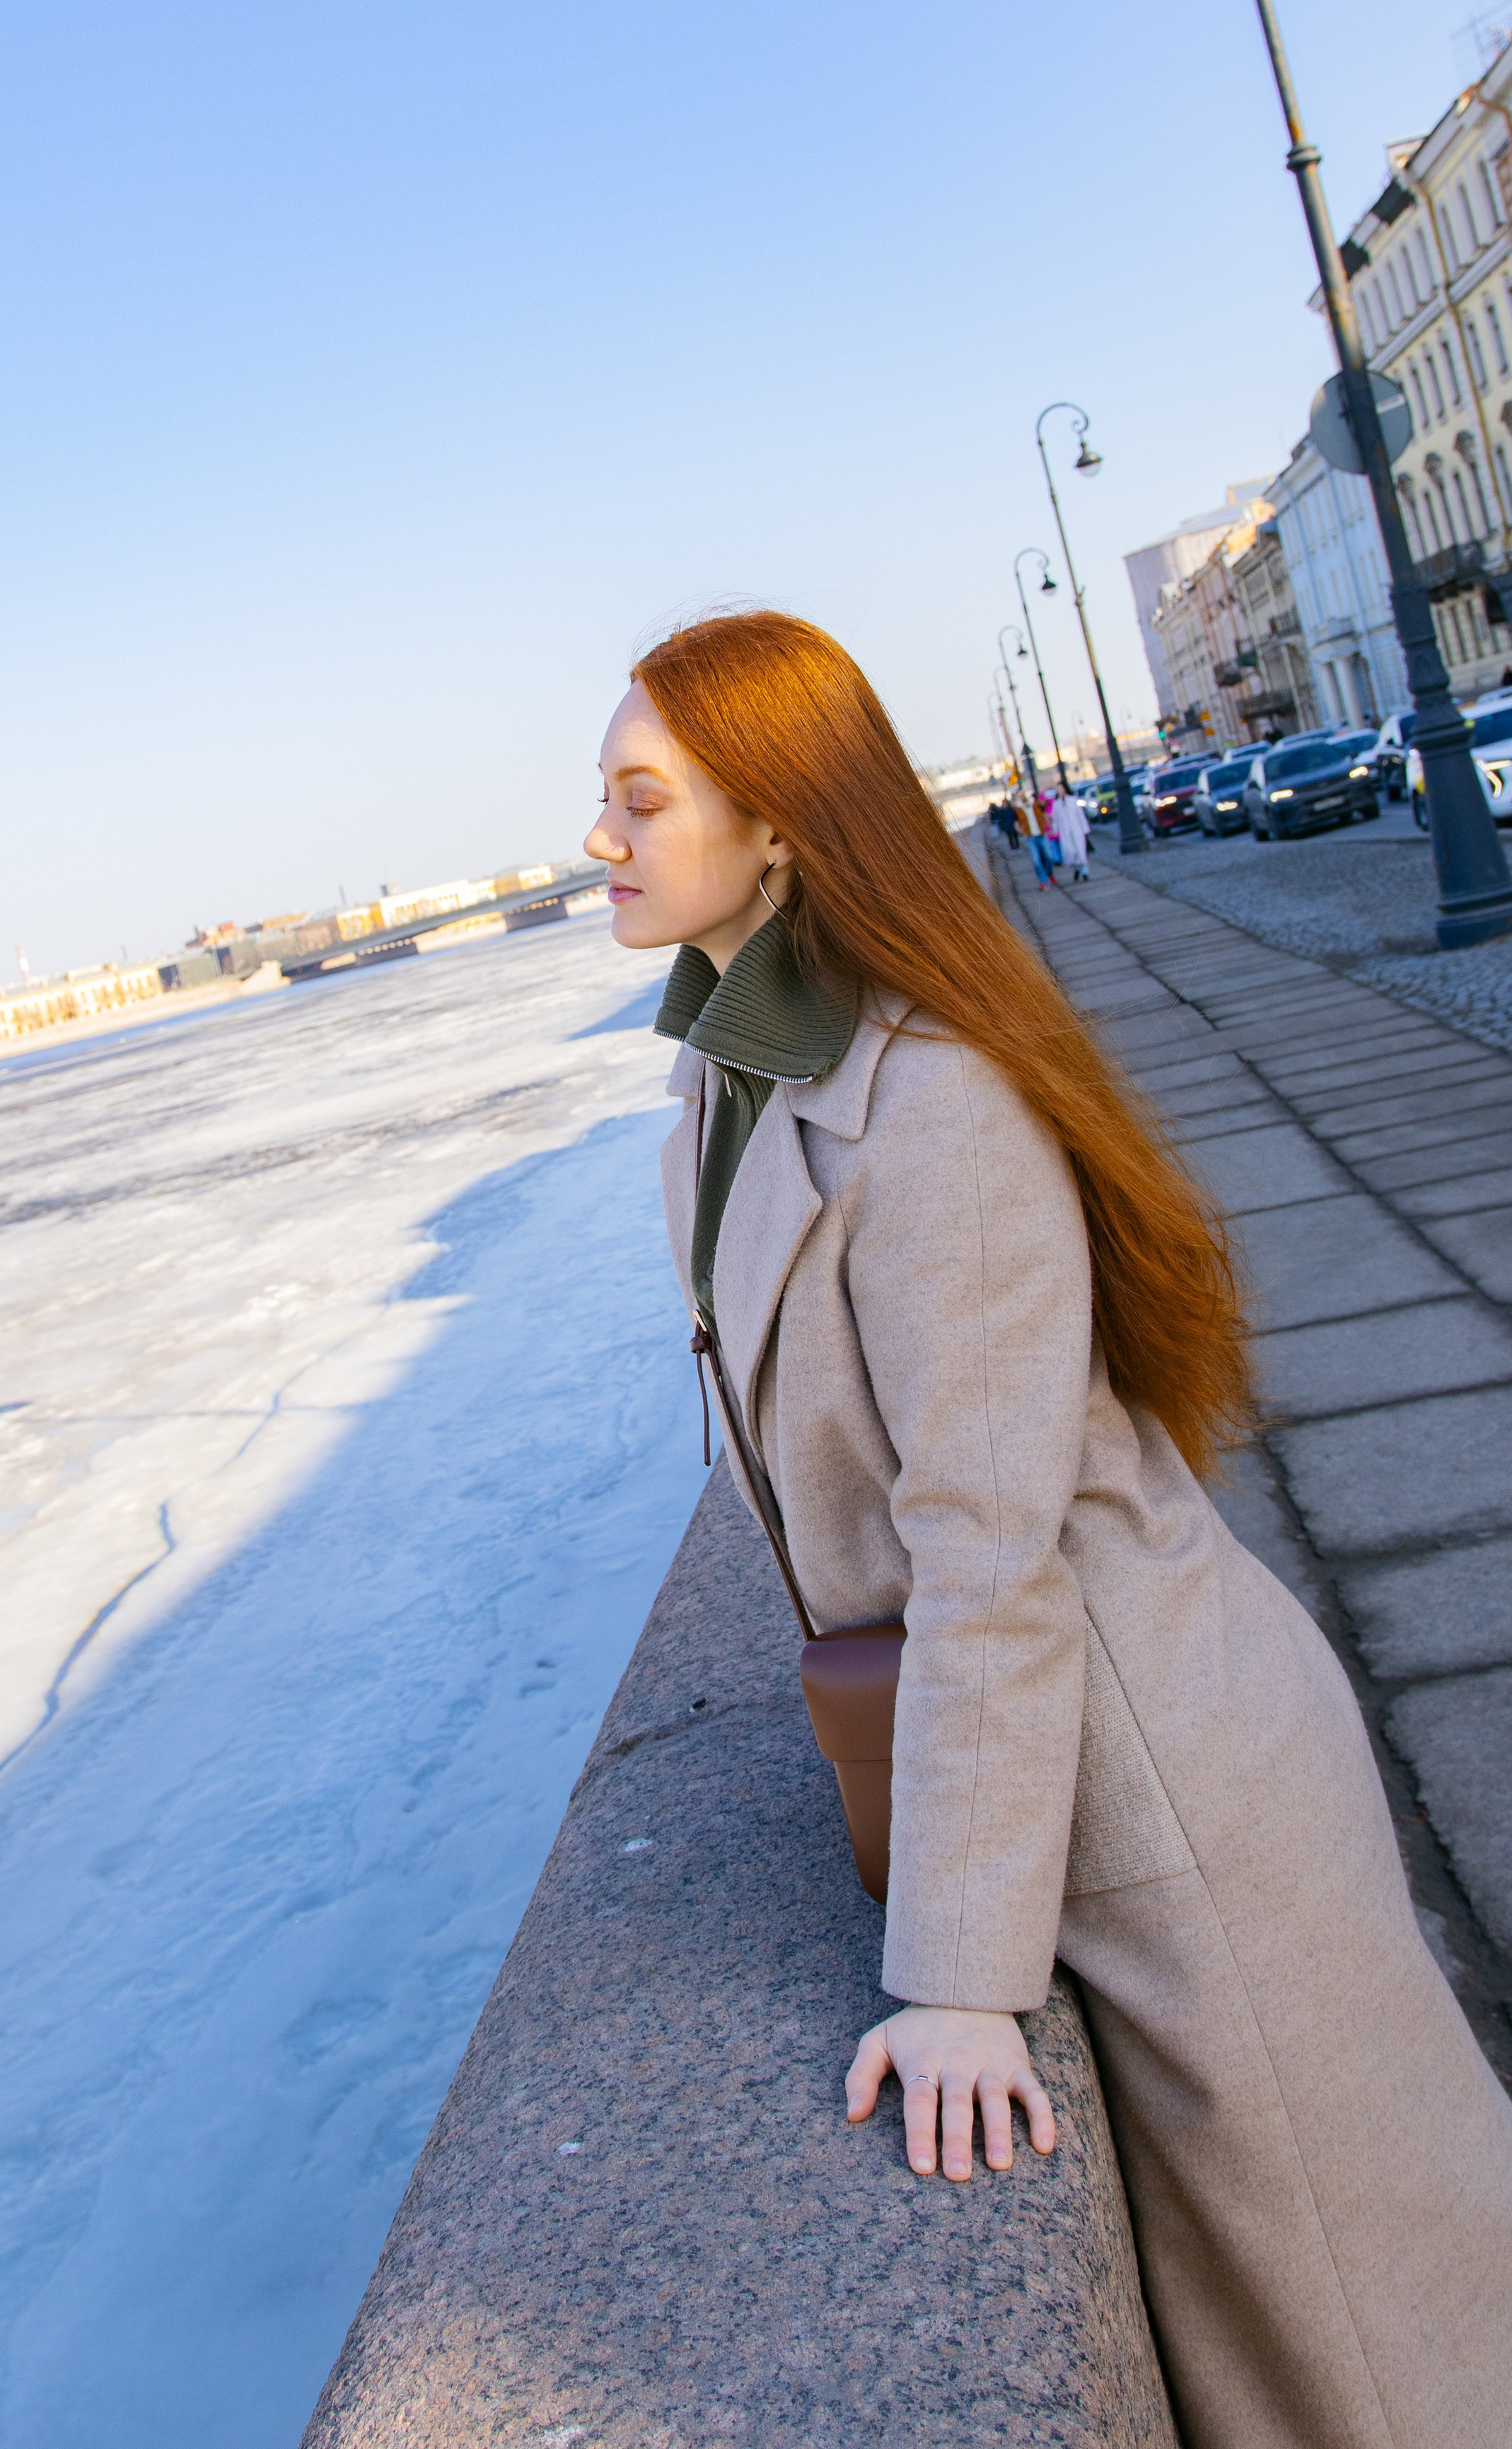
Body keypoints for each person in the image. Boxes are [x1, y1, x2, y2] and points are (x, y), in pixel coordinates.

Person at [584, 608, 1512, 2449]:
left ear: (777, 825)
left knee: (1382, 2348)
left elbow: (988, 1563)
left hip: (1169, 1805)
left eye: (638, 798)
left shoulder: (932, 1109)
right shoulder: (728, 1082)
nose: (598, 840)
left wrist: (953, 1983)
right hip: (1078, 1770)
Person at [1051, 781, 1091, 882]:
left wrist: (1085, 829)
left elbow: (1080, 815)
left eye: (1061, 788)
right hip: (1065, 832)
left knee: (1081, 851)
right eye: (1058, 789)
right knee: (1071, 852)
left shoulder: (1073, 800)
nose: (1060, 791)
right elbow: (1055, 819)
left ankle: (1085, 872)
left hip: (1076, 829)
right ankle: (1077, 869)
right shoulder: (1057, 804)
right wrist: (1055, 830)